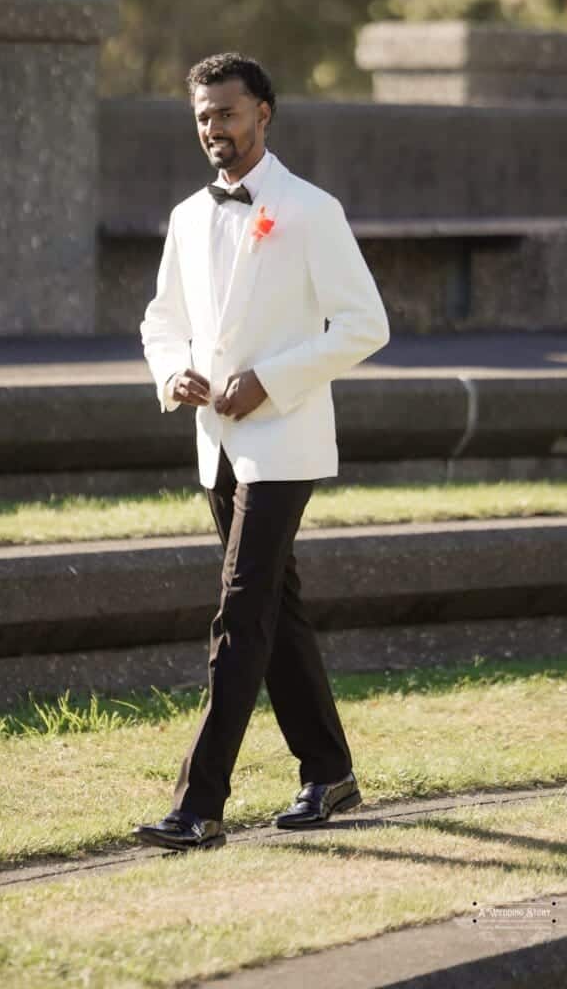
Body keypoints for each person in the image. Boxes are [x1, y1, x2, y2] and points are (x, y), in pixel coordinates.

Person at [136, 53, 389, 851]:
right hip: (216, 444)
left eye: (229, 113)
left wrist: (270, 382)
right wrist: (173, 370)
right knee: (277, 612)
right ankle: (329, 771)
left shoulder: (312, 210)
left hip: (286, 439)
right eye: (204, 115)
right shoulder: (186, 216)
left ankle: (198, 803)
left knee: (241, 612)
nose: (215, 128)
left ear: (264, 114)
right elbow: (160, 319)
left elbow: (364, 325)